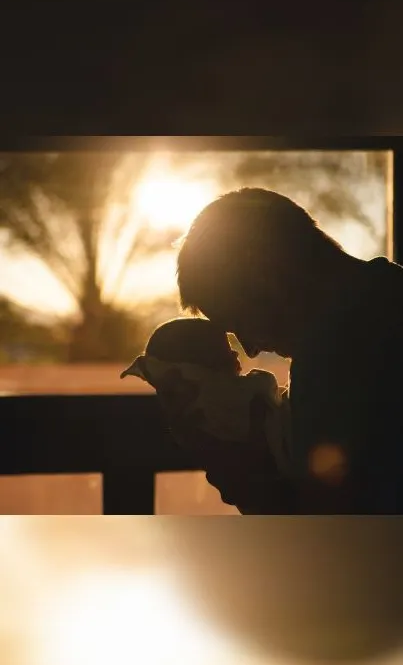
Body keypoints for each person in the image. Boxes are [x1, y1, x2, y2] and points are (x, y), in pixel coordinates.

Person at [168, 187, 403, 514]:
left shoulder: (331, 358)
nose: (249, 350)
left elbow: (321, 535)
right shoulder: (387, 296)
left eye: (239, 322)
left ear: (266, 277)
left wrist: (235, 469)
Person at [120, 317, 289, 487]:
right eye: (224, 350)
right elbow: (265, 387)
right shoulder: (222, 396)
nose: (236, 353)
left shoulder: (191, 412)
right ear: (199, 367)